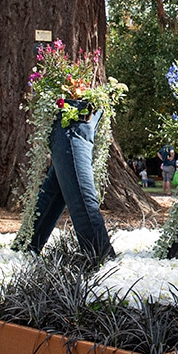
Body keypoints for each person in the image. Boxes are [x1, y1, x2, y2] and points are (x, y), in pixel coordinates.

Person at [24, 104, 116, 262]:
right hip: (74, 117)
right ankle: (27, 245)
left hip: (77, 116)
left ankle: (101, 255)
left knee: (67, 189)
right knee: (67, 189)